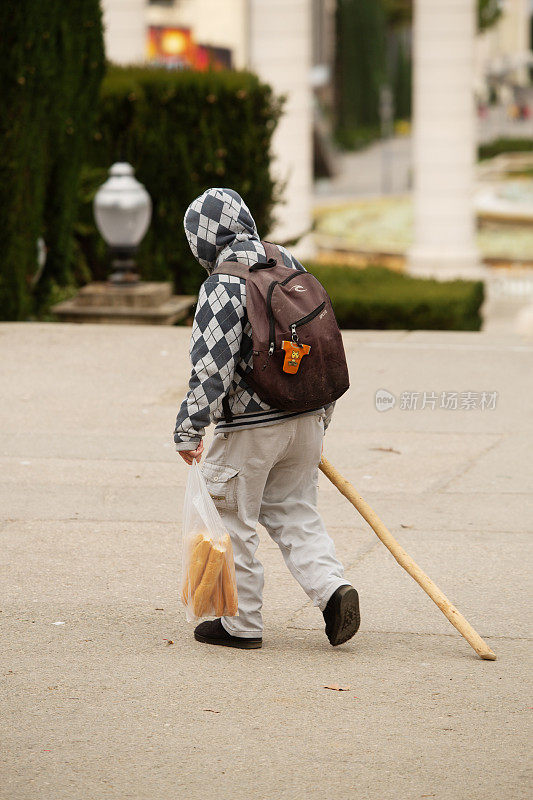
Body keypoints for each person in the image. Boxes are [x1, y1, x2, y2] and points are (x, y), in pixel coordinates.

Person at [174, 187, 360, 649]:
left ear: (201, 242)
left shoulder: (224, 284)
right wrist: (321, 414)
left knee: (231, 516)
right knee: (296, 512)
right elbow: (321, 343)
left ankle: (241, 624)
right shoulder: (289, 265)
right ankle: (333, 590)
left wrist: (189, 428)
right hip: (306, 415)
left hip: (251, 430)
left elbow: (210, 367)